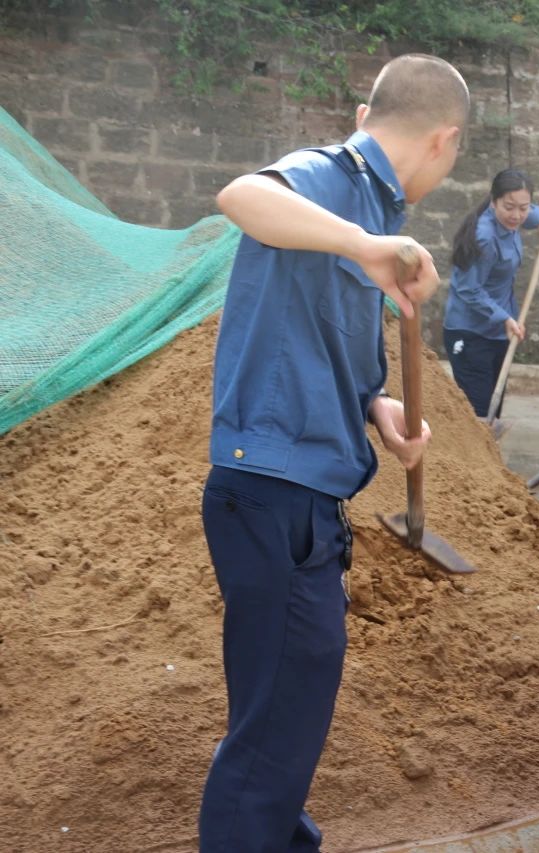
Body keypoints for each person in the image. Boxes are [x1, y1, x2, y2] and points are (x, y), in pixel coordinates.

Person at [200, 55, 468, 853]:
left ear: (365, 110)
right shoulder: (333, 178)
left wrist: (376, 408)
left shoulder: (373, 207)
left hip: (302, 496)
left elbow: (319, 340)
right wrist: (362, 246)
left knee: (286, 712)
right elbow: (241, 198)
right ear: (444, 142)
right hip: (273, 494)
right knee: (271, 733)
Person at [442, 168, 539, 417]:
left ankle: (486, 452)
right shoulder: (484, 237)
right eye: (509, 207)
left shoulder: (515, 214)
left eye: (523, 208)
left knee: (493, 411)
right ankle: (471, 456)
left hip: (499, 332)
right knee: (478, 413)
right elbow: (468, 289)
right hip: (471, 332)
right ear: (494, 201)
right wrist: (504, 318)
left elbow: (529, 211)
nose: (517, 215)